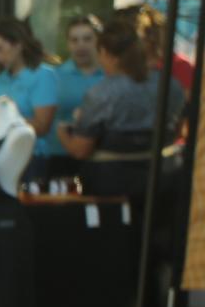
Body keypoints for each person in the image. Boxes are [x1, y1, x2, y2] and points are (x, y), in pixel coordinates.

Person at [57, 16, 184, 199]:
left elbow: (80, 150)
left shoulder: (102, 93)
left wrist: (62, 131)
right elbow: (178, 129)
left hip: (113, 187)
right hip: (164, 180)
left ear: (105, 53)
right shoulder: (171, 86)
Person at [0, 18, 57, 185]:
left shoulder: (43, 76)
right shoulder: (0, 79)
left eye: (0, 49)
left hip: (30, 158)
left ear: (18, 44)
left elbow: (42, 126)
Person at [49, 13, 106, 169]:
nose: (81, 45)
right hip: (59, 156)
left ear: (98, 41)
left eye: (87, 39)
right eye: (74, 40)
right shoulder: (55, 76)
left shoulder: (111, 76)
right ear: (68, 44)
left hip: (102, 158)